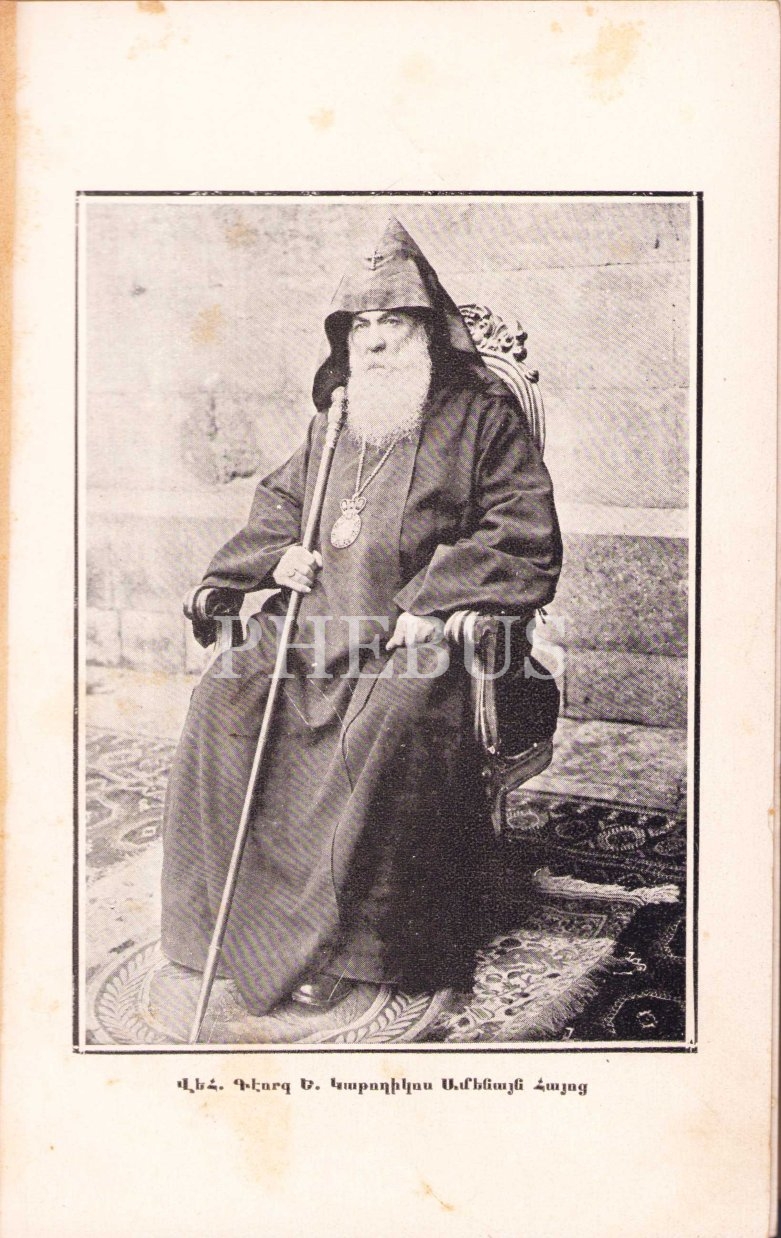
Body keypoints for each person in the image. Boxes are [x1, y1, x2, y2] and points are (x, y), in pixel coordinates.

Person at [161, 217, 562, 1018]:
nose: (375, 341)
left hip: (415, 639)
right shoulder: (335, 418)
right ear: (344, 339)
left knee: (387, 723)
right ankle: (226, 925)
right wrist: (279, 558)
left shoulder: (481, 416)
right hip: (316, 624)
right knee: (224, 694)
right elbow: (283, 502)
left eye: (393, 322)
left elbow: (522, 532)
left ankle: (344, 946)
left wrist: (435, 601)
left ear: (426, 330)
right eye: (361, 325)